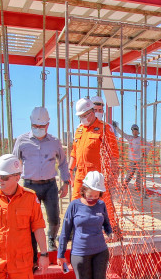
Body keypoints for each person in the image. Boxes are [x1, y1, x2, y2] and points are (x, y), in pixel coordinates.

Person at [56, 171, 112, 279]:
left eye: (97, 195)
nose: (93, 198)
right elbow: (65, 232)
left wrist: (109, 232)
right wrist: (61, 254)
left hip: (100, 250)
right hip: (80, 253)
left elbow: (106, 223)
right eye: (91, 194)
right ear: (84, 190)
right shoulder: (74, 206)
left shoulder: (101, 205)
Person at [12, 106, 70, 265]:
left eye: (41, 126)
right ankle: (32, 251)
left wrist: (65, 183)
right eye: (35, 126)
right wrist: (13, 186)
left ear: (48, 125)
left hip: (50, 185)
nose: (38, 129)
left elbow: (63, 163)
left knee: (54, 218)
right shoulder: (22, 141)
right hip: (30, 186)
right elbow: (14, 163)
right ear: (31, 123)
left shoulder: (54, 142)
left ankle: (51, 240)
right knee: (30, 221)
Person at [69, 98, 120, 236]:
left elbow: (114, 154)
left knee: (104, 202)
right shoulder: (79, 130)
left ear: (92, 112)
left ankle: (112, 229)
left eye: (85, 115)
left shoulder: (104, 128)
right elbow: (74, 151)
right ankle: (76, 230)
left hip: (97, 175)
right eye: (80, 116)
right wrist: (69, 169)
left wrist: (113, 174)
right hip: (80, 174)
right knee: (75, 202)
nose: (83, 119)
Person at [115, 123, 149, 190]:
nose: (135, 132)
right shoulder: (130, 138)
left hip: (139, 159)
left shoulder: (141, 139)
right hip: (132, 159)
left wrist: (145, 153)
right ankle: (125, 184)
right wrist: (116, 128)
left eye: (136, 131)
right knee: (130, 172)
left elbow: (148, 146)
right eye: (133, 131)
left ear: (138, 131)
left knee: (139, 173)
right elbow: (123, 134)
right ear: (132, 131)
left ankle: (138, 186)